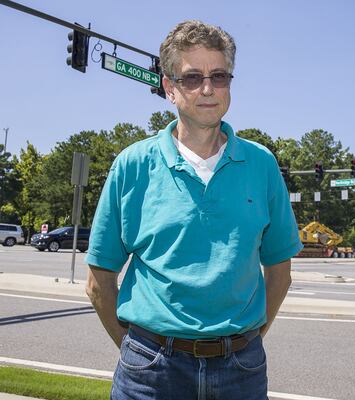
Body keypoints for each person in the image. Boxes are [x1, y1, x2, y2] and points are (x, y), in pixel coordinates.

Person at [85, 20, 303, 400]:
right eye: (192, 78)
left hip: (242, 370)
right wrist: (134, 348)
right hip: (150, 371)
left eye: (219, 76)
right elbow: (99, 280)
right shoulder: (132, 164)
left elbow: (280, 273)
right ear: (169, 87)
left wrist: (245, 340)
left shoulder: (262, 164)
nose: (208, 89)